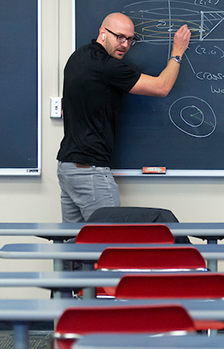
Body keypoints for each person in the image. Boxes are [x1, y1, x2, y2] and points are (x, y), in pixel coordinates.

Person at [56, 13, 191, 222]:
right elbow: (162, 87)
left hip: (68, 167)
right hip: (90, 171)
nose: (125, 44)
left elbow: (66, 109)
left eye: (130, 39)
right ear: (103, 32)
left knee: (75, 246)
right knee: (111, 241)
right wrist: (177, 52)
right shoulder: (107, 67)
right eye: (120, 37)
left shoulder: (77, 58)